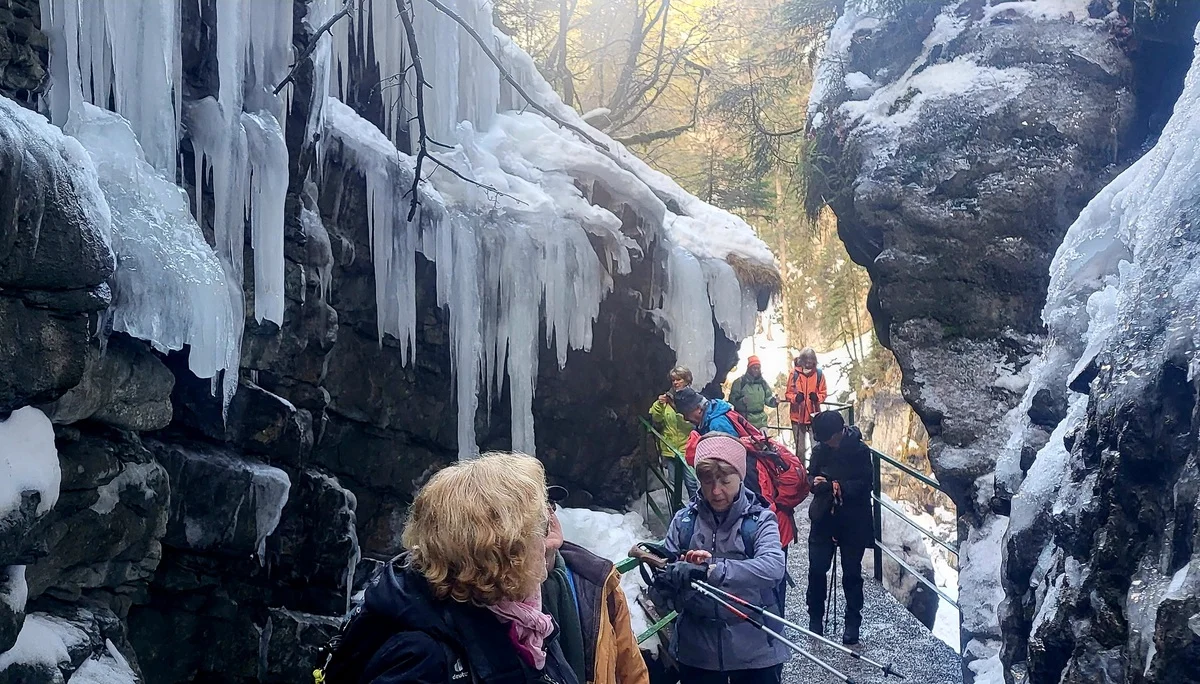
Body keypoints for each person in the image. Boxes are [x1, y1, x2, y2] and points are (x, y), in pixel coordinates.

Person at [322, 453, 579, 684]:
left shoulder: (523, 620)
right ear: (502, 551)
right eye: (541, 527)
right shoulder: (422, 657)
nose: (550, 539)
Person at [657, 433, 788, 684]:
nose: (716, 491)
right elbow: (665, 581)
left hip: (755, 651)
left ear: (740, 476)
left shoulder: (759, 520)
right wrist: (675, 575)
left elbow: (773, 567)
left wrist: (712, 570)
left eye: (725, 481)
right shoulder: (684, 521)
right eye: (707, 482)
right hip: (697, 653)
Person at [542, 486, 650, 684]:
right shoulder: (493, 602)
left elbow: (631, 667)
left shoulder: (597, 580)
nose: (545, 515)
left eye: (548, 504)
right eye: (531, 510)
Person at [805, 411, 874, 646]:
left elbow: (865, 484)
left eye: (829, 438)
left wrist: (836, 485)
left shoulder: (860, 450)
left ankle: (852, 622)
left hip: (853, 518)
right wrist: (814, 483)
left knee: (852, 573)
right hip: (824, 517)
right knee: (816, 569)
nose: (826, 443)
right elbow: (810, 475)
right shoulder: (820, 450)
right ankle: (815, 618)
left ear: (839, 432)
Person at [648, 367, 700, 499]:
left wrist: (676, 408)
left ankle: (695, 508)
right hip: (670, 448)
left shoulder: (692, 399)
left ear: (687, 380)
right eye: (673, 380)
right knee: (673, 485)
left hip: (687, 449)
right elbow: (656, 418)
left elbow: (691, 423)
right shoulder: (667, 398)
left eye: (679, 379)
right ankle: (676, 510)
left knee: (691, 483)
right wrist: (659, 405)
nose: (675, 383)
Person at [784, 348, 827, 459]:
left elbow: (823, 393)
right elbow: (788, 394)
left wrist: (816, 397)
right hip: (797, 416)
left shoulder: (819, 374)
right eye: (806, 361)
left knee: (816, 448)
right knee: (800, 450)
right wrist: (795, 398)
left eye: (811, 361)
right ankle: (801, 470)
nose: (808, 364)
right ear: (802, 360)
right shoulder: (794, 374)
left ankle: (815, 468)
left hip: (814, 416)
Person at [728, 356, 779, 432]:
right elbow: (732, 400)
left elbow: (768, 398)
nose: (756, 370)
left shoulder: (763, 383)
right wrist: (742, 401)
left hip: (761, 421)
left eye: (758, 368)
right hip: (745, 421)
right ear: (749, 368)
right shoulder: (740, 383)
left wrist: (774, 401)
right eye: (754, 368)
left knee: (763, 439)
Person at [672, 387, 738, 438]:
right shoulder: (706, 422)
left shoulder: (717, 424)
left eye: (686, 414)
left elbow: (731, 449)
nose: (685, 418)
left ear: (699, 408)